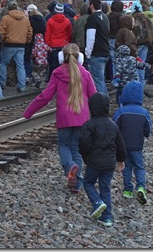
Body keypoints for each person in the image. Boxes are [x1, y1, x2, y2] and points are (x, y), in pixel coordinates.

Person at [23, 42, 95, 193]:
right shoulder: (86, 74)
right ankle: (77, 184)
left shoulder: (57, 73)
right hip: (82, 119)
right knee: (76, 148)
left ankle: (70, 167)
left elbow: (46, 96)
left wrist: (29, 111)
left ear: (62, 57)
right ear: (80, 57)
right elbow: (94, 97)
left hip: (64, 118)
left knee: (64, 145)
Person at [79, 92, 127, 227]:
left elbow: (84, 143)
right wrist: (121, 160)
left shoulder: (89, 125)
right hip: (110, 163)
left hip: (94, 162)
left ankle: (97, 202)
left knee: (88, 182)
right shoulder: (113, 125)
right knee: (105, 187)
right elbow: (121, 145)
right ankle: (107, 218)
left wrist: (85, 156)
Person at [112, 81, 151, 204]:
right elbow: (147, 130)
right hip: (137, 145)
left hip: (123, 146)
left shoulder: (121, 111)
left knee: (126, 166)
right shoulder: (144, 112)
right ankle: (141, 187)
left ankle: (128, 190)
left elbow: (114, 127)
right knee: (139, 167)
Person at [0, 1, 33, 92]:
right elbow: (29, 32)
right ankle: (22, 85)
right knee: (20, 66)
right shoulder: (25, 19)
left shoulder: (6, 18)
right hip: (21, 45)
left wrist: (1, 41)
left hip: (9, 45)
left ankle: (2, 83)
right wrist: (27, 41)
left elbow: (1, 31)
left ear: (8, 8)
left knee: (2, 63)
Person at [85, 0, 111, 95]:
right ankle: (104, 101)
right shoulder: (105, 17)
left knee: (97, 81)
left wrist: (88, 53)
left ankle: (101, 103)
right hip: (105, 51)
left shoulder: (92, 18)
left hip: (96, 53)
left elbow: (91, 37)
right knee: (101, 79)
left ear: (91, 5)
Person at [45, 2, 72, 80]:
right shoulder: (67, 21)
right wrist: (69, 43)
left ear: (55, 11)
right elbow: (69, 34)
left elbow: (48, 34)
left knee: (53, 64)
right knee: (64, 64)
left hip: (53, 45)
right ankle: (63, 80)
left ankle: (53, 80)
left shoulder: (50, 21)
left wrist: (47, 45)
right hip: (64, 44)